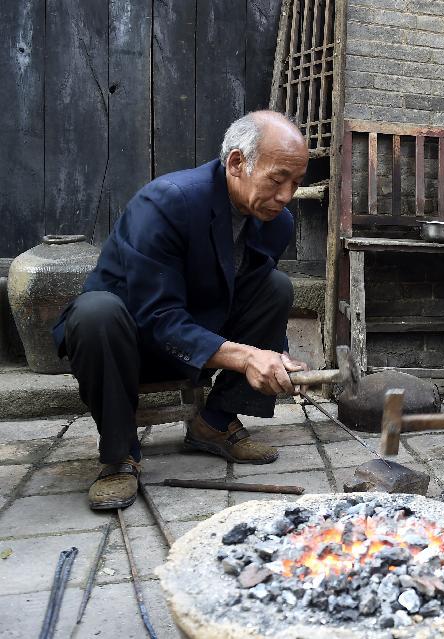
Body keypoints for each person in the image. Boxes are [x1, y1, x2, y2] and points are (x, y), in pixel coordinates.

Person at [53, 111, 311, 510]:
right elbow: (154, 315)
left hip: (194, 339)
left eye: (296, 184)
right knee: (95, 312)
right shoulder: (168, 201)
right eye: (278, 180)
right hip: (127, 343)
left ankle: (214, 423)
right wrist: (246, 357)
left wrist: (277, 359)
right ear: (237, 163)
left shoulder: (277, 223)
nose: (286, 196)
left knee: (276, 287)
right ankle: (119, 457)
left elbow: (245, 294)